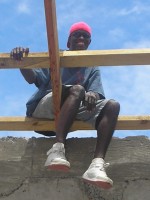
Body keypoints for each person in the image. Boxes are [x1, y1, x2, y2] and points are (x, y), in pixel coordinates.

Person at [11, 21, 120, 189]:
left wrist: (93, 94)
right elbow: (33, 78)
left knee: (112, 105)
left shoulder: (91, 66)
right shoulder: (57, 56)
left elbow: (96, 93)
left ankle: (96, 165)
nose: (82, 38)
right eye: (77, 35)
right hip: (44, 110)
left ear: (89, 43)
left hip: (70, 113)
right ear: (68, 42)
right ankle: (57, 148)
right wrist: (21, 62)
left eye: (86, 36)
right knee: (77, 90)